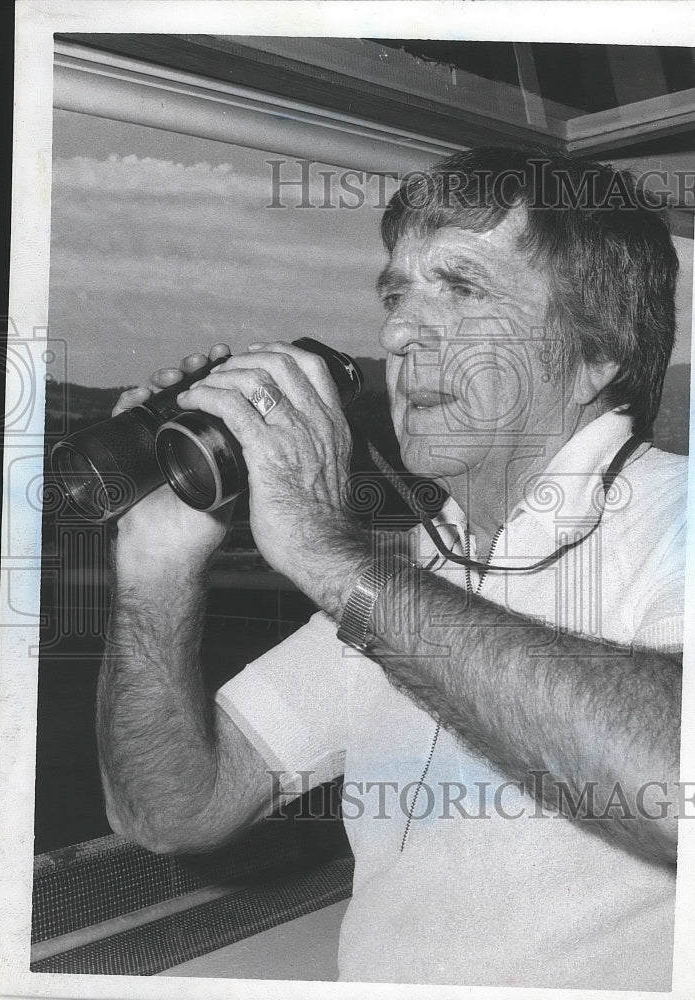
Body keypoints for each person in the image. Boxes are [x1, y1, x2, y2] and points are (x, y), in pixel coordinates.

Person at [98, 148, 686, 989]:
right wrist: (154, 565)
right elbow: (172, 810)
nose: (399, 334)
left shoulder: (678, 518)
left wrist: (326, 552)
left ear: (599, 352)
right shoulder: (416, 572)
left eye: (463, 288)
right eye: (396, 293)